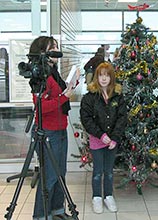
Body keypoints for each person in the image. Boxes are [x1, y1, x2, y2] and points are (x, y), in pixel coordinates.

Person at [29, 36, 77, 220]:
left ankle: (57, 211)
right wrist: (65, 97)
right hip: (48, 132)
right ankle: (41, 216)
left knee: (60, 174)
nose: (57, 49)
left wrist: (71, 86)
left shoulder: (53, 72)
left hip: (60, 129)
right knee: (49, 177)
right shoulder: (40, 75)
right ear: (43, 52)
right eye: (53, 47)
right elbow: (41, 107)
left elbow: (58, 94)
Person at [80, 62, 127, 214]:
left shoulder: (118, 97)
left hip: (112, 142)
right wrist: (101, 135)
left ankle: (108, 196)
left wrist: (114, 138)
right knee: (98, 171)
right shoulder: (90, 97)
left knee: (109, 171)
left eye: (107, 75)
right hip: (97, 140)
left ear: (111, 77)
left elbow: (122, 118)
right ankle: (97, 197)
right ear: (97, 77)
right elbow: (86, 119)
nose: (104, 78)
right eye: (101, 75)